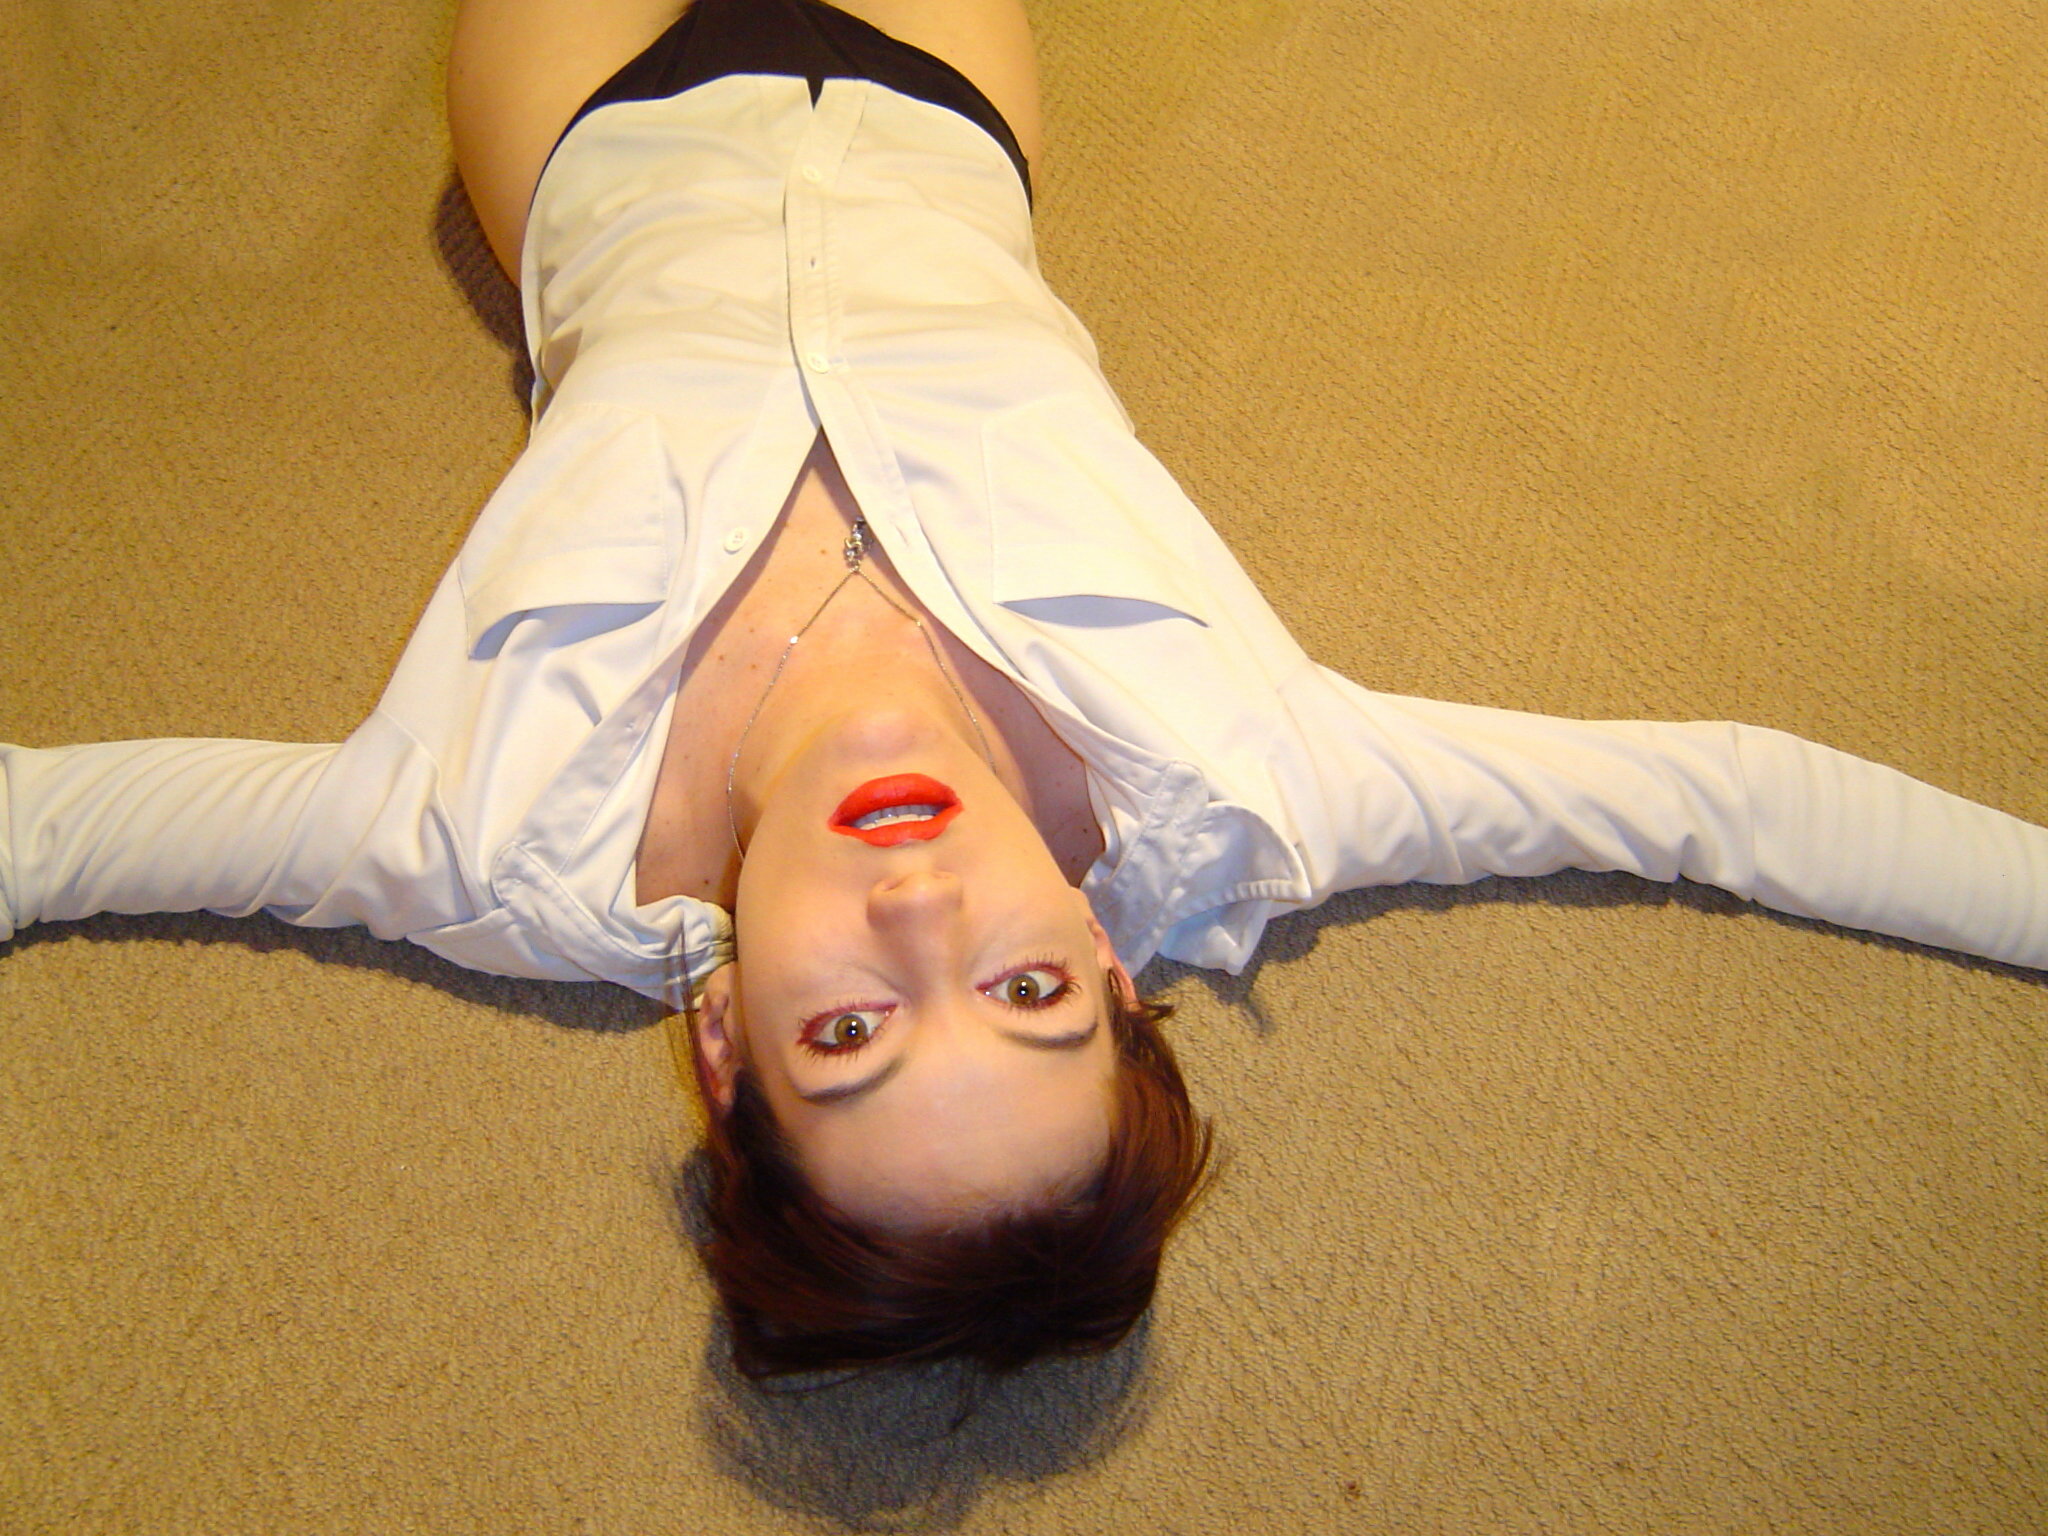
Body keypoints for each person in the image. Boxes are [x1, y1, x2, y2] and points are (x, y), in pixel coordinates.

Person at [3, 0, 2044, 1376]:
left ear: (724, 1050)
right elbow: (1719, 799)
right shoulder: (1268, 790)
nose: (921, 911)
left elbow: (47, 834)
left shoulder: (474, 838)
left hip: (584, 114)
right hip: (935, 95)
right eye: (1029, 993)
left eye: (850, 1031)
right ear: (1119, 973)